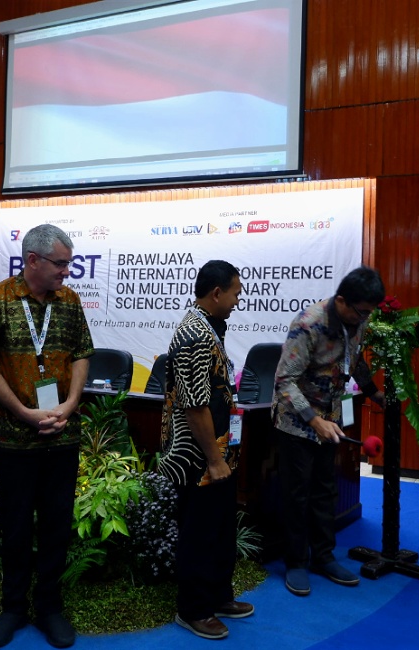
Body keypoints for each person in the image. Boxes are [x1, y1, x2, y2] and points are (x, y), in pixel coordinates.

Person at [0, 224, 93, 649]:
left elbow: (81, 354)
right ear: (33, 261)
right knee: (16, 525)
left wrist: (70, 404)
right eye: (60, 263)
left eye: (69, 263)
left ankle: (50, 606)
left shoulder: (70, 302)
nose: (67, 272)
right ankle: (14, 607)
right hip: (12, 437)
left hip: (61, 437)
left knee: (57, 523)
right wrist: (22, 411)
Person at [272, 265, 386, 597]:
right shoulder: (309, 325)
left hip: (330, 419)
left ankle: (323, 557)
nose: (365, 319)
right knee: (298, 494)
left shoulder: (357, 322)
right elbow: (284, 381)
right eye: (361, 312)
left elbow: (356, 362)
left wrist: (372, 393)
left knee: (325, 490)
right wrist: (313, 420)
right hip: (295, 422)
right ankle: (295, 562)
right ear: (341, 301)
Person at [158, 260, 252, 641]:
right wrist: (214, 460)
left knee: (220, 527)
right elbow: (194, 405)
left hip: (217, 453)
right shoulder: (194, 334)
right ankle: (193, 609)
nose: (237, 301)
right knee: (199, 532)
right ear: (216, 293)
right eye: (235, 294)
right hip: (197, 458)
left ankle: (217, 595)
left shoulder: (211, 328)